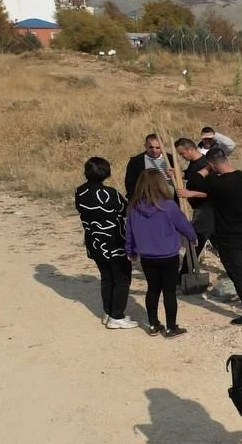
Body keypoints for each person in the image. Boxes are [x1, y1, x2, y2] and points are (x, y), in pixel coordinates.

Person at [180, 148, 242, 325]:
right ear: (226, 159)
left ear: (212, 164)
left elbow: (194, 179)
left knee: (237, 274)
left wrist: (207, 168)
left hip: (228, 237)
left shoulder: (216, 183)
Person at [125, 168, 197, 338]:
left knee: (153, 289)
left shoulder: (133, 207)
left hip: (147, 257)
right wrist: (192, 237)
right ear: (161, 184)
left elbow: (130, 231)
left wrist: (131, 250)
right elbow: (183, 224)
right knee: (169, 291)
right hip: (168, 255)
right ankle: (171, 327)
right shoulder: (168, 206)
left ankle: (152, 325)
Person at [74, 156, 135, 329]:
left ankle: (108, 312)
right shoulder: (110, 194)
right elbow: (126, 211)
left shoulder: (80, 192)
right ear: (106, 173)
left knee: (106, 277)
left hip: (94, 241)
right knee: (122, 278)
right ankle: (117, 315)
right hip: (114, 242)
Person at [174, 136, 214, 274]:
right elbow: (191, 175)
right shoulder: (194, 162)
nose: (181, 156)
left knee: (195, 241)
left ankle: (184, 273)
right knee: (217, 241)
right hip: (199, 209)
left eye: (182, 153)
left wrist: (190, 194)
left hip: (207, 210)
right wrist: (180, 174)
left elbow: (211, 193)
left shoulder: (205, 165)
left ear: (191, 149)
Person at [124, 133, 174, 200]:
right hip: (147, 200)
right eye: (151, 147)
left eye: (157, 147)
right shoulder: (136, 162)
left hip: (169, 199)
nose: (154, 150)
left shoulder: (170, 159)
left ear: (162, 147)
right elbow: (130, 184)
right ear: (145, 146)